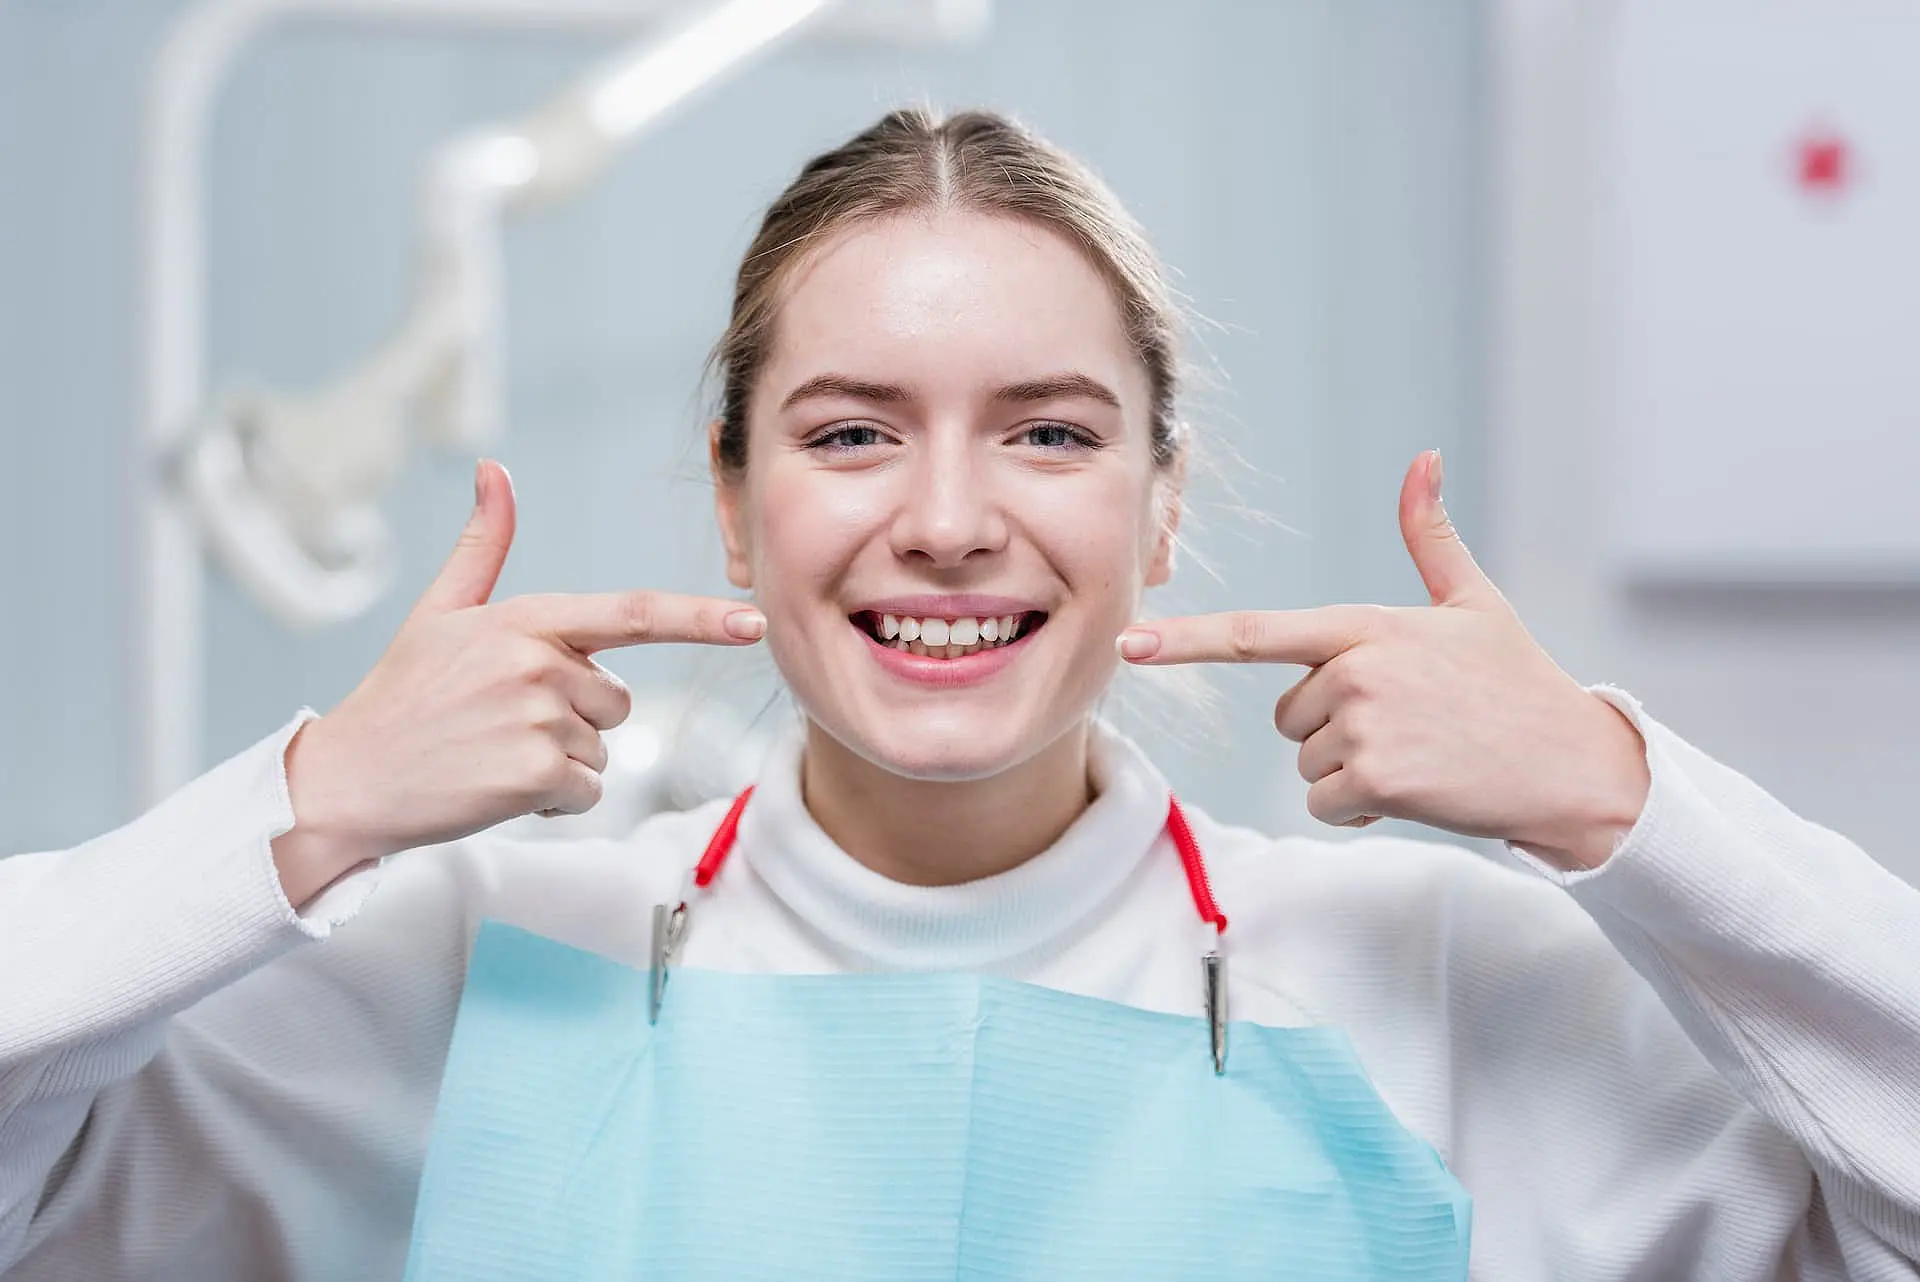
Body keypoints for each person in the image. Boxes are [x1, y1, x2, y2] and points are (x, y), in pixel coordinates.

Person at [3, 108, 1917, 1280]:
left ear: (1162, 506)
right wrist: (310, 804)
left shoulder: (1427, 967)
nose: (945, 520)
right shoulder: (476, 956)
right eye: (850, 433)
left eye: (1049, 432)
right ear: (736, 503)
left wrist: (1619, 799)